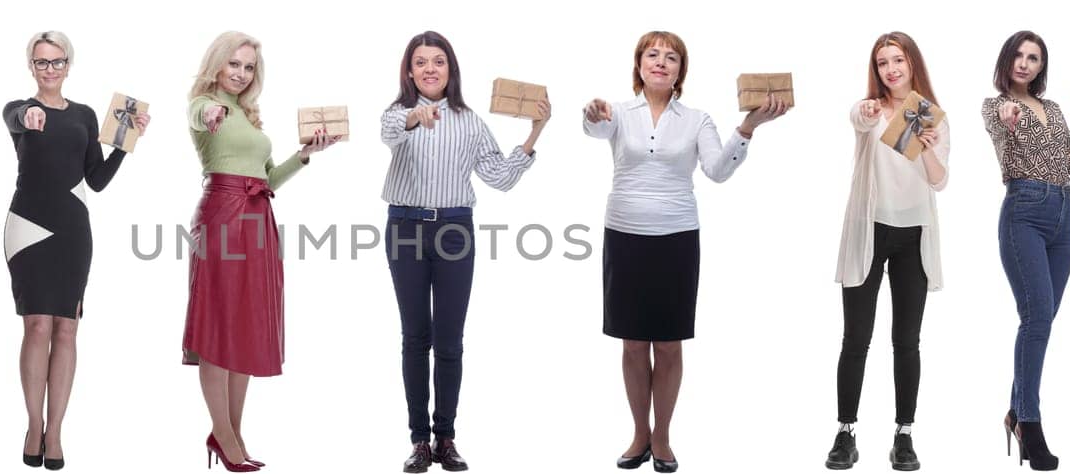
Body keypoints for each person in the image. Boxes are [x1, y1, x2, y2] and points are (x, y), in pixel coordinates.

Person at [581, 30, 787, 474]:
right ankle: (639, 433)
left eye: (671, 57)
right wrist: (592, 113)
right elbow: (594, 127)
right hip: (626, 234)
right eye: (652, 55)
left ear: (680, 71)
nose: (661, 62)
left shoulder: (697, 119)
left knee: (669, 343)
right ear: (638, 65)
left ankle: (663, 436)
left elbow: (716, 171)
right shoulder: (617, 113)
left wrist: (748, 127)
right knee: (633, 342)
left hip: (676, 238)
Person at [378, 30, 550, 474]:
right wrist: (417, 118)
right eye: (420, 62)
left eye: (438, 61)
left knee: (450, 340)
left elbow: (499, 177)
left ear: (450, 69)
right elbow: (389, 133)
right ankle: (419, 441)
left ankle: (446, 437)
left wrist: (534, 133)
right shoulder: (398, 113)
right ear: (409, 70)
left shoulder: (470, 121)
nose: (429, 69)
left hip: (455, 230)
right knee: (415, 336)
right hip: (406, 227)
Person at [181, 30, 340, 473]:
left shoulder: (248, 114)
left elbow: (267, 179)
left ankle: (231, 431)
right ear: (217, 63)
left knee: (247, 324)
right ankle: (225, 435)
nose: (241, 73)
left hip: (256, 216)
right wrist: (210, 110)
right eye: (234, 64)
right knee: (219, 325)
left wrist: (304, 155)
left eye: (248, 67)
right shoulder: (204, 104)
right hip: (221, 215)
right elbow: (199, 114)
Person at [1, 30, 149, 471]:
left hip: (72, 228)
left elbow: (97, 180)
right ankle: (32, 425)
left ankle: (56, 431)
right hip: (27, 225)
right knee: (37, 327)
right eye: (42, 62)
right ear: (31, 66)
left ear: (69, 65)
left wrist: (125, 143)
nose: (50, 69)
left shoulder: (85, 116)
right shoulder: (16, 110)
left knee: (67, 327)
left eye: (57, 61)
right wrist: (29, 115)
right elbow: (17, 117)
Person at [981, 30, 1070, 472]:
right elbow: (1001, 128)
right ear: (1007, 60)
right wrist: (1008, 118)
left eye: (1033, 58)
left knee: (1044, 319)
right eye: (1018, 56)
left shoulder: (1055, 109)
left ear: (1041, 66)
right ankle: (1030, 425)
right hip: (1024, 212)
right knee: (1035, 319)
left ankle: (1016, 410)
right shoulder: (995, 105)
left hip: (1064, 213)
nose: (1024, 63)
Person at [826, 31, 949, 472]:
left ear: (912, 63)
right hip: (869, 231)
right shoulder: (871, 110)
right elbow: (858, 120)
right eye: (883, 63)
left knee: (907, 341)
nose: (891, 69)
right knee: (855, 337)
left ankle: (904, 435)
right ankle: (845, 432)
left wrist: (930, 150)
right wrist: (863, 112)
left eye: (898, 60)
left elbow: (939, 180)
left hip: (913, 235)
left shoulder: (930, 116)